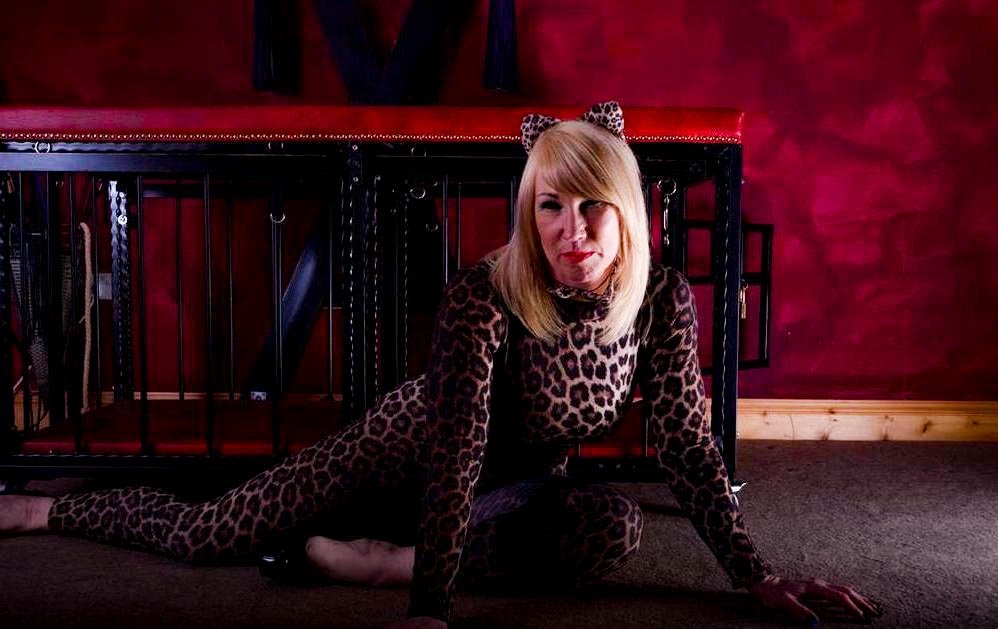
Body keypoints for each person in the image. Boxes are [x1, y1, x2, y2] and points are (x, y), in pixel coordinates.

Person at [0, 102, 881, 628]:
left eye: (591, 207)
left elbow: (688, 448)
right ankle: (47, 510)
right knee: (207, 533)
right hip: (401, 458)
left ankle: (387, 559)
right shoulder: (485, 292)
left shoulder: (662, 300)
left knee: (616, 530)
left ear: (627, 210)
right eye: (549, 206)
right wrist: (431, 607)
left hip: (512, 491)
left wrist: (756, 575)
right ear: (528, 212)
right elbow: (455, 454)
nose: (571, 230)